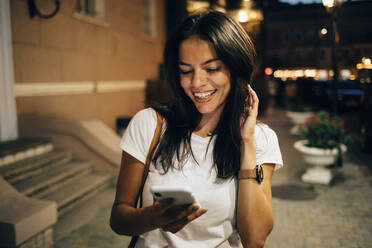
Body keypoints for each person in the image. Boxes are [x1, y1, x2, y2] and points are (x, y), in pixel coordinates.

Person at [110, 10, 283, 248]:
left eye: (211, 69)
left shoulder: (261, 139)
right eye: (186, 70)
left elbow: (255, 239)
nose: (196, 82)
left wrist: (247, 143)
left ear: (235, 69)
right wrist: (152, 217)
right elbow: (119, 219)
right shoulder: (150, 124)